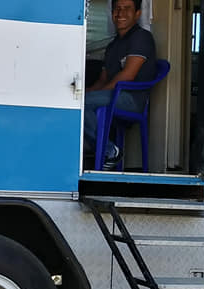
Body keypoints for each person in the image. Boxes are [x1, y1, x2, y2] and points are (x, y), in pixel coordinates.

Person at [84, 0, 157, 170]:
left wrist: (92, 97)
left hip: (132, 99)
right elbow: (102, 80)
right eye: (117, 8)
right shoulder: (113, 45)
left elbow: (127, 76)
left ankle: (110, 152)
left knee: (87, 103)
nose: (120, 13)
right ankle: (101, 152)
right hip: (114, 95)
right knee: (79, 103)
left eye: (127, 8)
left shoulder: (141, 37)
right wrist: (83, 94)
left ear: (137, 14)